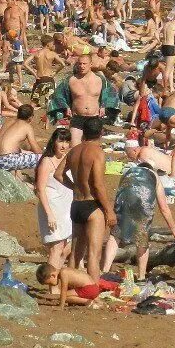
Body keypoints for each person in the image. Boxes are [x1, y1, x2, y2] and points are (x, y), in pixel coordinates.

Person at [101, 148, 175, 281]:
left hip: (124, 200)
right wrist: (173, 229)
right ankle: (141, 275)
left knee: (115, 234)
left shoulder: (128, 172)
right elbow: (164, 207)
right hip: (143, 203)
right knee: (142, 237)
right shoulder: (154, 175)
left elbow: (121, 191)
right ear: (153, 168)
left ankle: (105, 269)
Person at [55, 116, 114, 281]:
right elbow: (98, 185)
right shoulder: (97, 152)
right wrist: (109, 211)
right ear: (101, 133)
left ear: (83, 133)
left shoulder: (74, 151)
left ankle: (70, 288)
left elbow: (58, 175)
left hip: (76, 205)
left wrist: (74, 186)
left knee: (75, 253)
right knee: (93, 255)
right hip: (91, 205)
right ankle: (93, 294)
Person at [34, 128, 73, 271]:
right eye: (60, 141)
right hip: (52, 207)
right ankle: (52, 284)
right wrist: (49, 214)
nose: (64, 145)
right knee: (56, 248)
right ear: (54, 142)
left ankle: (55, 277)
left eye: (67, 141)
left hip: (66, 208)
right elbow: (40, 189)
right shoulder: (47, 161)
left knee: (67, 247)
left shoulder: (68, 159)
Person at [35, 262, 119, 308]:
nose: (51, 285)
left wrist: (61, 306)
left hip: (88, 289)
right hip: (93, 288)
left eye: (49, 283)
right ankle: (95, 301)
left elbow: (64, 292)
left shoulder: (64, 273)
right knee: (64, 296)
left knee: (64, 297)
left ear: (52, 275)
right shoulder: (64, 270)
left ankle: (89, 302)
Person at [0, 103, 41, 171]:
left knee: (22, 152)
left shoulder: (8, 121)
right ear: (30, 117)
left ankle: (17, 177)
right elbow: (36, 149)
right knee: (41, 158)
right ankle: (39, 180)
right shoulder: (27, 127)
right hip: (5, 160)